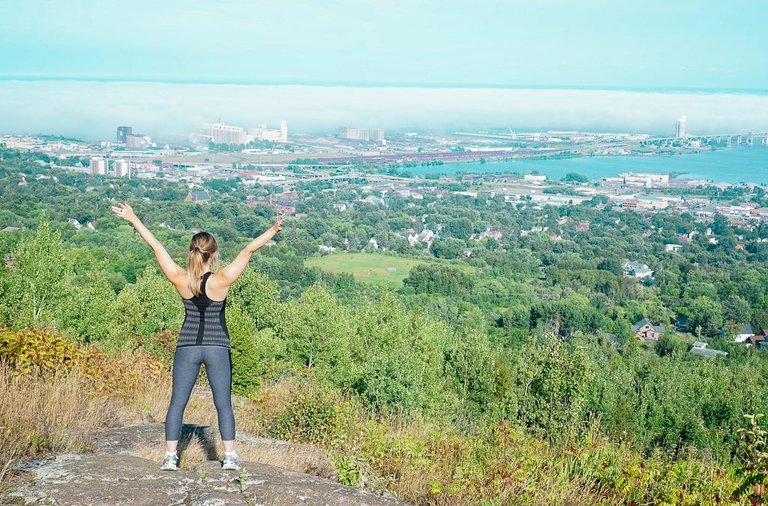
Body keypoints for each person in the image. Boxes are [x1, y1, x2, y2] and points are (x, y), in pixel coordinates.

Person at [111, 202, 284, 471]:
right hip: (217, 347)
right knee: (223, 403)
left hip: (188, 346)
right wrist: (273, 230)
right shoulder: (222, 279)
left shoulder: (180, 278)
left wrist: (133, 219)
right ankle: (230, 457)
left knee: (177, 402)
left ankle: (170, 457)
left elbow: (156, 246)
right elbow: (249, 249)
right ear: (212, 255)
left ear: (192, 253)